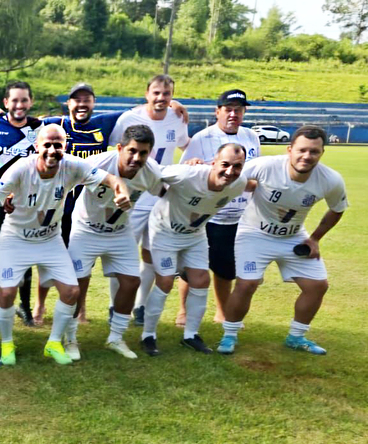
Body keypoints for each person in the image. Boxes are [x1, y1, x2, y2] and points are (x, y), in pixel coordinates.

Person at [0, 82, 188, 323]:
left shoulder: (103, 123)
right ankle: (38, 307)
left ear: (93, 103)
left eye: (86, 99)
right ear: (68, 103)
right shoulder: (54, 124)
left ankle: (81, 311)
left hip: (88, 202)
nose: (81, 104)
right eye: (76, 100)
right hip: (57, 202)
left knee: (71, 263)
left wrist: (172, 104)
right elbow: (21, 116)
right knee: (43, 255)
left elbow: (140, 110)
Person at [0, 124, 130, 366]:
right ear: (37, 147)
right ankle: (7, 343)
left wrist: (121, 192)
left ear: (64, 147)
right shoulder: (20, 169)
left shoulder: (71, 165)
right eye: (46, 145)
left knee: (71, 291)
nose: (52, 150)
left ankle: (54, 343)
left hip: (50, 239)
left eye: (57, 145)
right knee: (7, 292)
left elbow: (110, 178)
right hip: (16, 238)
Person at [218, 126, 347, 355]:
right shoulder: (267, 165)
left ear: (322, 153)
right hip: (254, 234)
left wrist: (315, 239)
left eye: (314, 152)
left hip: (293, 236)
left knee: (318, 285)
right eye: (302, 150)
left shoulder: (330, 179)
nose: (307, 156)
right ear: (290, 150)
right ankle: (229, 335)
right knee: (247, 284)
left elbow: (337, 209)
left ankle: (296, 337)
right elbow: (231, 177)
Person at [138, 144, 253, 356]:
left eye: (237, 167)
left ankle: (191, 335)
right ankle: (148, 335)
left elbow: (255, 186)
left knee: (201, 280)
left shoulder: (239, 184)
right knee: (164, 281)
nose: (230, 172)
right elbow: (152, 171)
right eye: (225, 165)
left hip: (195, 235)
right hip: (164, 231)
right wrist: (159, 191)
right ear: (213, 163)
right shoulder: (187, 174)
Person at [71, 125, 164, 359]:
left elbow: (167, 189)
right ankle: (70, 338)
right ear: (120, 148)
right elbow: (67, 172)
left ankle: (116, 338)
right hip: (86, 229)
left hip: (120, 231)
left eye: (143, 153)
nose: (136, 158)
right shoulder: (99, 162)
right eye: (132, 151)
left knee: (131, 282)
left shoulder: (151, 172)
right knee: (78, 284)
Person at [109, 75, 191, 327]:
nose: (161, 98)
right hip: (133, 194)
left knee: (150, 254)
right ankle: (115, 305)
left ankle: (140, 306)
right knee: (123, 252)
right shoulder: (129, 119)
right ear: (147, 94)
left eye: (166, 94)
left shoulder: (177, 117)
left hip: (160, 194)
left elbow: (186, 145)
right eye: (156, 93)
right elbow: (115, 151)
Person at [178, 89, 260, 324]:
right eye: (228, 109)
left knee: (226, 268)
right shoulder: (202, 138)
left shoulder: (251, 137)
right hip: (206, 215)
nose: (233, 114)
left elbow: (253, 174)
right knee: (192, 265)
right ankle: (183, 311)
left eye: (239, 110)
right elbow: (185, 173)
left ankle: (222, 312)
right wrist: (194, 164)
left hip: (238, 217)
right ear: (218, 111)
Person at [0, 81, 43, 327]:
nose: (19, 105)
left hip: (24, 205)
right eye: (14, 100)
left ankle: (24, 307)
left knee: (25, 257)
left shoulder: (40, 127)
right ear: (5, 103)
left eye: (24, 100)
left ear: (31, 102)